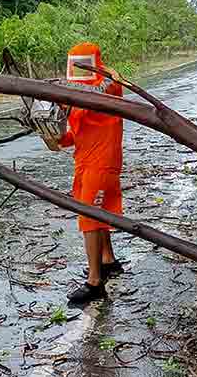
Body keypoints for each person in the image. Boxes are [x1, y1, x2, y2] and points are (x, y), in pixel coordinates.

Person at [58, 42, 125, 304]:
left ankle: (95, 282)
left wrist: (104, 71)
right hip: (84, 161)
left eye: (83, 63)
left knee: (90, 217)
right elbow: (73, 133)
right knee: (97, 213)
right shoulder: (74, 91)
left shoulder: (107, 85)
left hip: (103, 161)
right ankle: (107, 260)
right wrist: (55, 137)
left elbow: (110, 82)